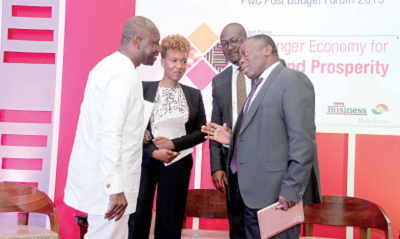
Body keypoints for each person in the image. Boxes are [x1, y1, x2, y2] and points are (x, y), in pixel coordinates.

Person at [202, 34, 321, 239]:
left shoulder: (290, 79)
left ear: (267, 50)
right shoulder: (258, 85)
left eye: (245, 53)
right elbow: (267, 137)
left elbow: (302, 141)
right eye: (239, 56)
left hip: (276, 197)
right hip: (249, 195)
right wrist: (232, 140)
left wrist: (292, 189)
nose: (240, 60)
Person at [64, 16, 161, 239]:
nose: (157, 49)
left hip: (103, 177)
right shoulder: (123, 75)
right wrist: (115, 188)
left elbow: (112, 124)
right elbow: (109, 133)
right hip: (109, 183)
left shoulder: (110, 65)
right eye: (154, 43)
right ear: (137, 41)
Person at [128, 34, 207, 239]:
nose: (179, 66)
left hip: (178, 164)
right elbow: (131, 128)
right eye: (173, 60)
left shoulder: (194, 94)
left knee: (170, 219)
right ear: (162, 61)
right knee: (138, 215)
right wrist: (153, 152)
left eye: (183, 61)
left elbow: (201, 132)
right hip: (145, 162)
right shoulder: (143, 88)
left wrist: (174, 144)